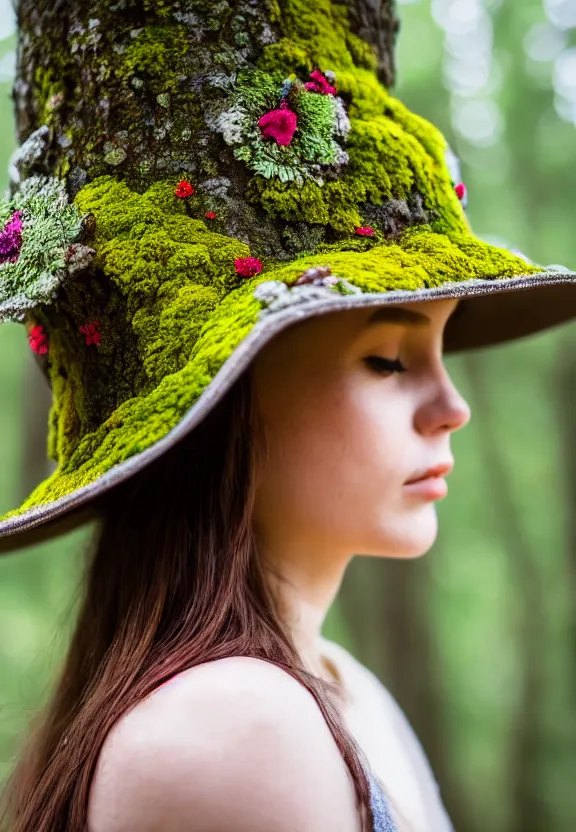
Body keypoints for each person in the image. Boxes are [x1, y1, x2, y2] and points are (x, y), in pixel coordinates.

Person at [1, 2, 576, 831]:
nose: (453, 409)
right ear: (224, 397)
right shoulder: (233, 729)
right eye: (386, 359)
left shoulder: (339, 687)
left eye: (444, 353)